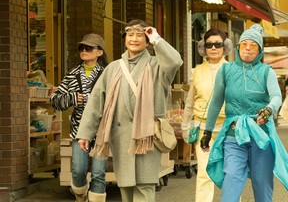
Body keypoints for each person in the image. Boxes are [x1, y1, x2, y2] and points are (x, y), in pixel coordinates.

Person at [76, 19, 182, 202]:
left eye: (140, 35)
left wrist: (156, 38)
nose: (134, 39)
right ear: (124, 39)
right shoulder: (113, 68)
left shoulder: (158, 66)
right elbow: (95, 102)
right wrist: (85, 133)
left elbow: (175, 61)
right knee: (126, 190)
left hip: (148, 137)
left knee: (145, 187)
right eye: (130, 35)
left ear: (147, 41)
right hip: (122, 137)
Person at [201, 24, 288, 202]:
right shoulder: (225, 70)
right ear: (238, 47)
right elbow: (216, 101)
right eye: (244, 44)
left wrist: (268, 110)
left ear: (260, 50)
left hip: (261, 136)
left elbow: (276, 96)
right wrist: (207, 131)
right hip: (234, 135)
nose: (248, 48)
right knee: (231, 179)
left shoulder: (266, 72)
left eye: (253, 45)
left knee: (262, 186)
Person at [50, 33, 108, 202]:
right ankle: (80, 195)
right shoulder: (72, 74)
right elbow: (54, 100)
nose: (84, 50)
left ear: (99, 52)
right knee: (78, 170)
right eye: (81, 48)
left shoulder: (107, 74)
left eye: (88, 48)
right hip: (79, 129)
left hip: (101, 129)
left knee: (98, 172)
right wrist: (72, 98)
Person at [181, 28, 232, 202]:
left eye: (218, 44)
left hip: (228, 130)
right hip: (203, 130)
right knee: (204, 173)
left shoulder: (232, 70)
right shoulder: (196, 71)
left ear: (225, 47)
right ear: (204, 47)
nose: (213, 48)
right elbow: (189, 102)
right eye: (209, 44)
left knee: (231, 174)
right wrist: (185, 126)